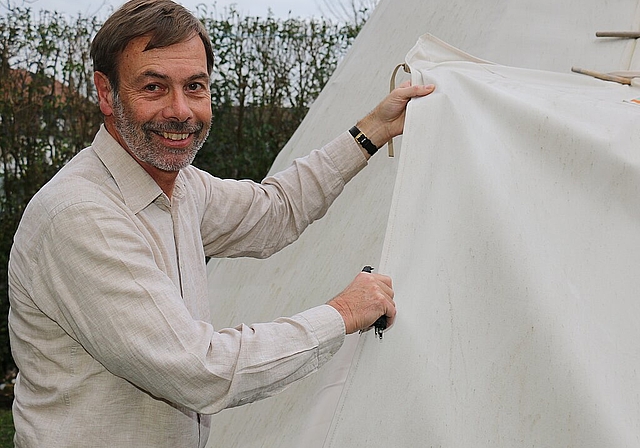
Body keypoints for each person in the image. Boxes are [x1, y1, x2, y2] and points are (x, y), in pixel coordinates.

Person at [7, 0, 435, 446]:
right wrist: (342, 314)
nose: (180, 110)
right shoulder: (81, 215)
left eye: (194, 86)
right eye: (153, 87)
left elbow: (275, 211)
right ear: (105, 93)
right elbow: (198, 369)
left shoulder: (182, 187)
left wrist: (372, 131)